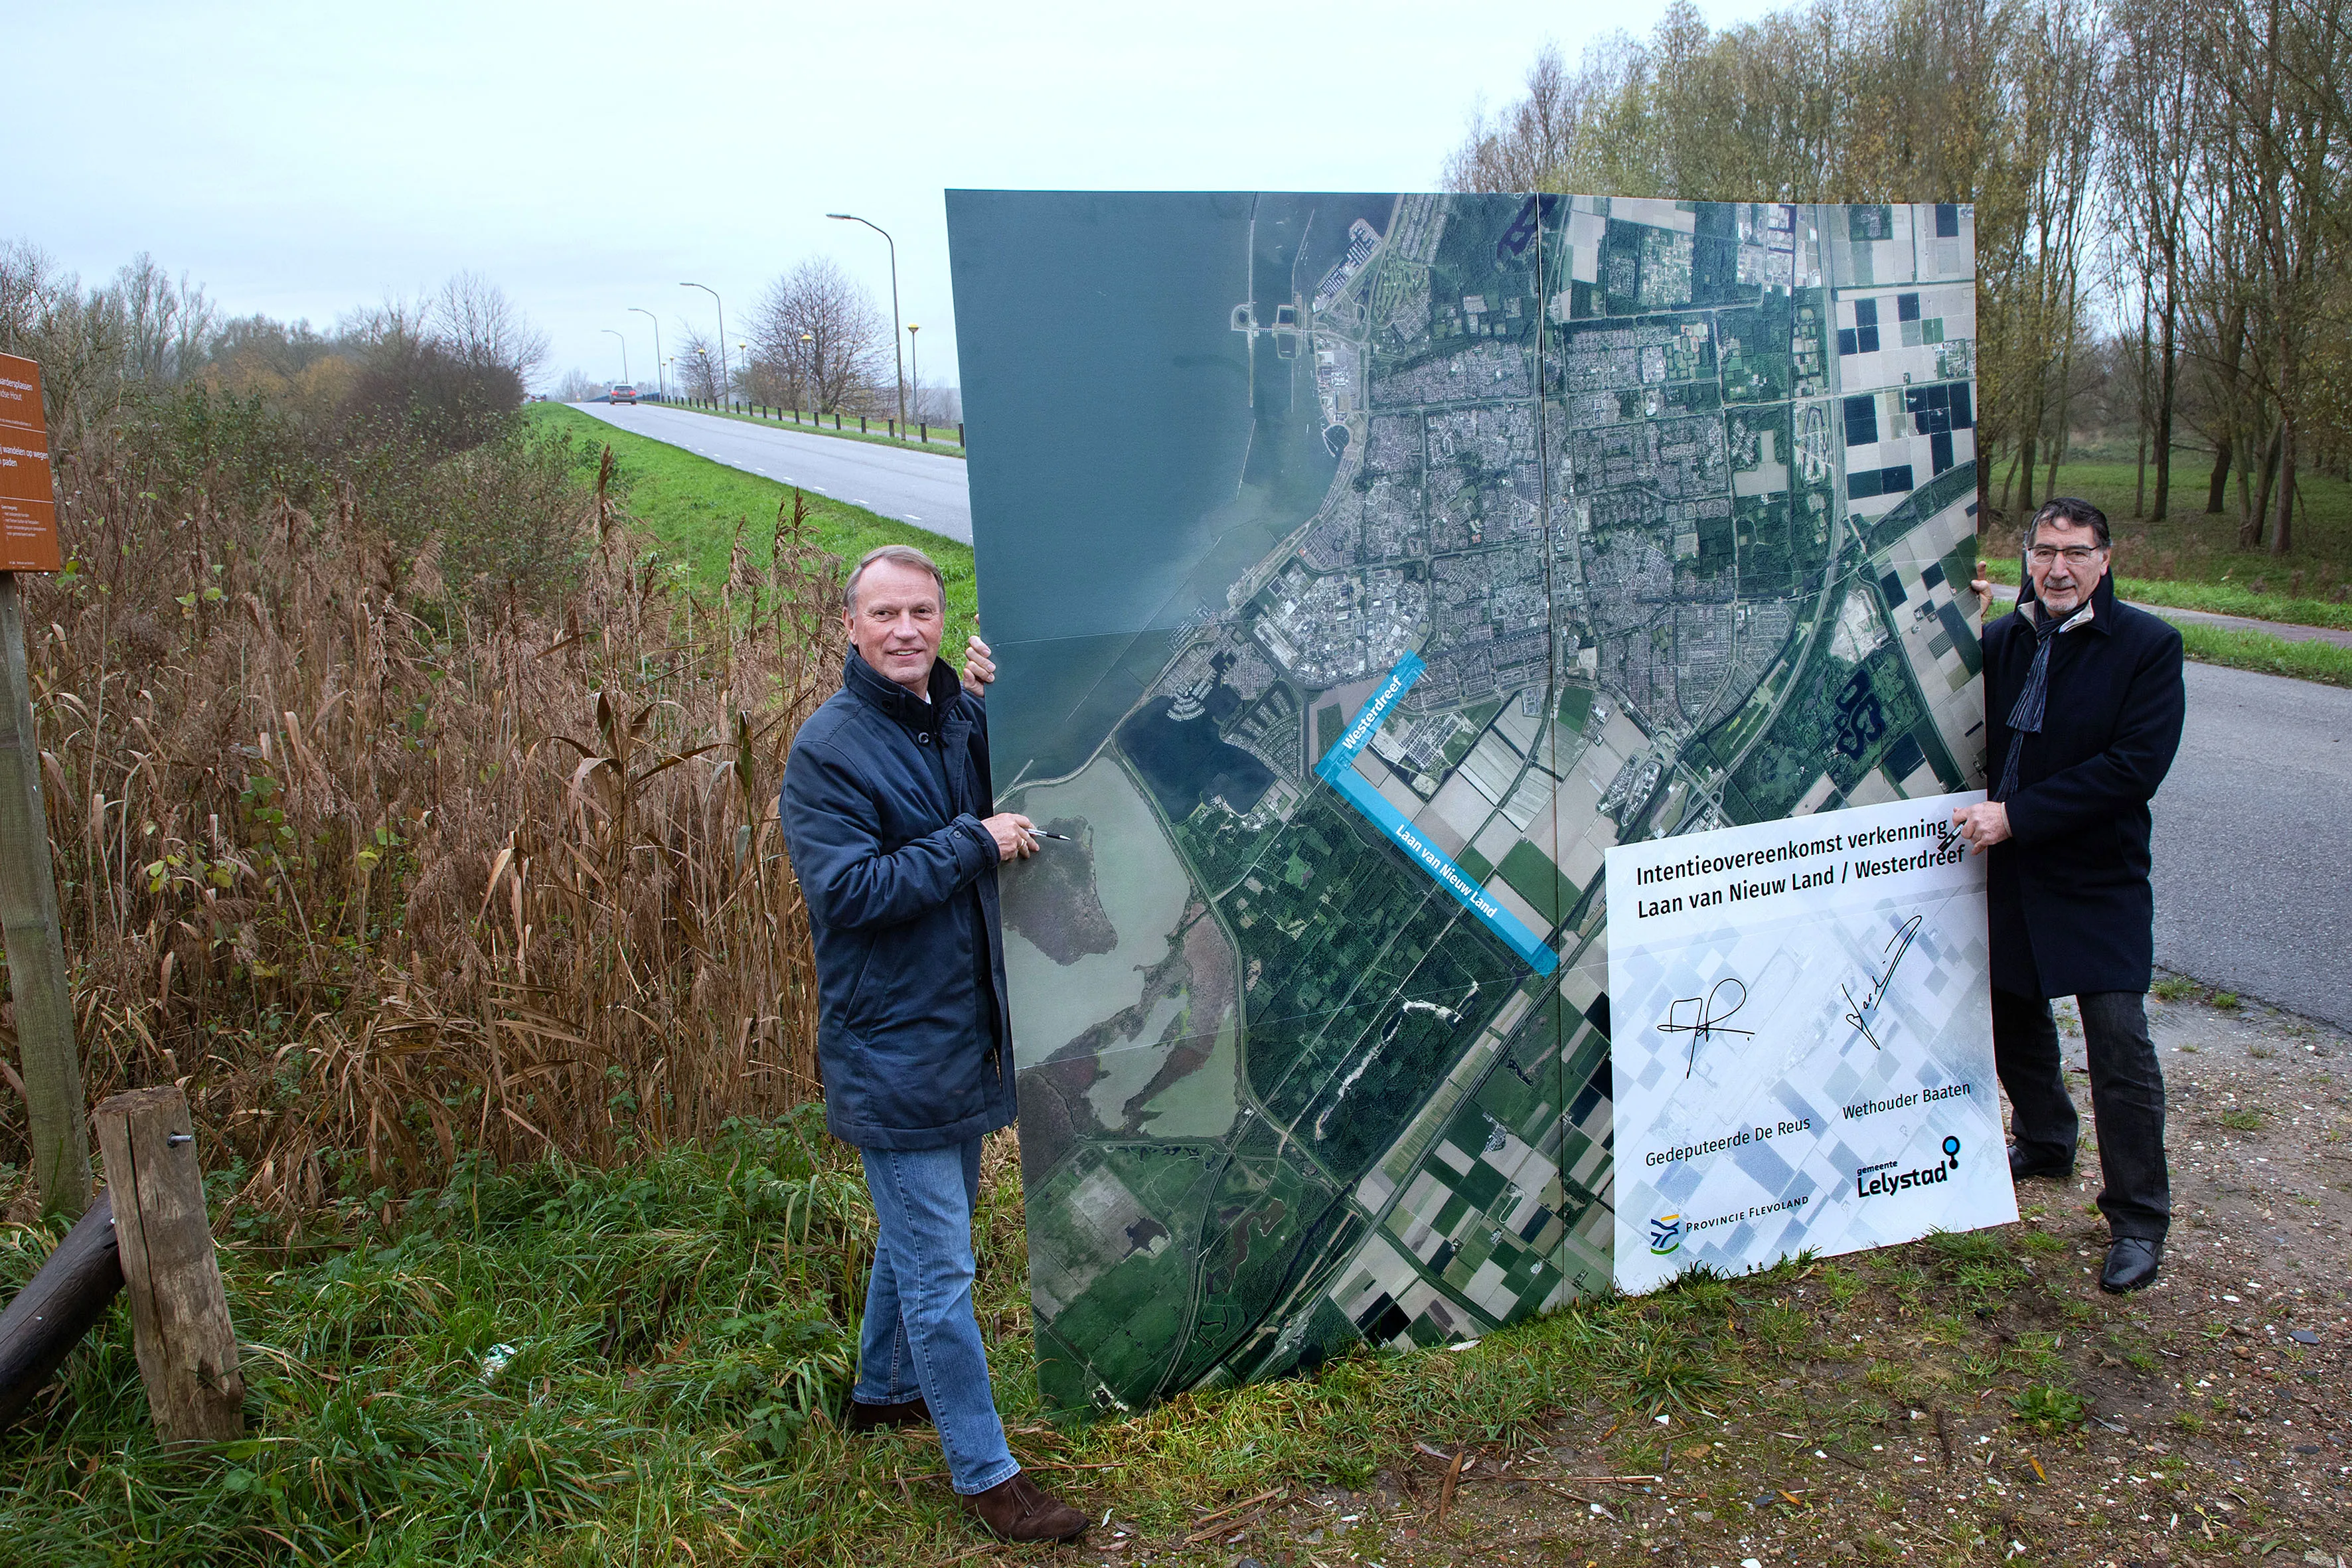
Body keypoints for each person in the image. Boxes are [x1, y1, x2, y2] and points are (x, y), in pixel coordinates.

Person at [779, 544, 1089, 1543]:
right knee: (941, 1269)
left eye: (921, 611)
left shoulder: (944, 721)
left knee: (923, 1230)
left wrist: (995, 700)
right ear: (849, 626)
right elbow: (849, 891)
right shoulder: (827, 748)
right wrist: (974, 843)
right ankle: (987, 1476)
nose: (905, 629)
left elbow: (979, 772)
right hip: (892, 1044)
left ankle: (881, 1395)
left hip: (957, 1033)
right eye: (884, 614)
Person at [1952, 497, 2185, 1293]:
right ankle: (2047, 1140)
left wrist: (2016, 816)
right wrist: (1964, 622)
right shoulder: (2007, 638)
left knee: (2118, 1044)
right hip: (2012, 872)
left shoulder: (2150, 646)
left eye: (2076, 552)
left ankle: (2138, 1221)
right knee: (2012, 1013)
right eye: (2043, 550)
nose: (2057, 567)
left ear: (2106, 560)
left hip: (2098, 876)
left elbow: (2134, 768)